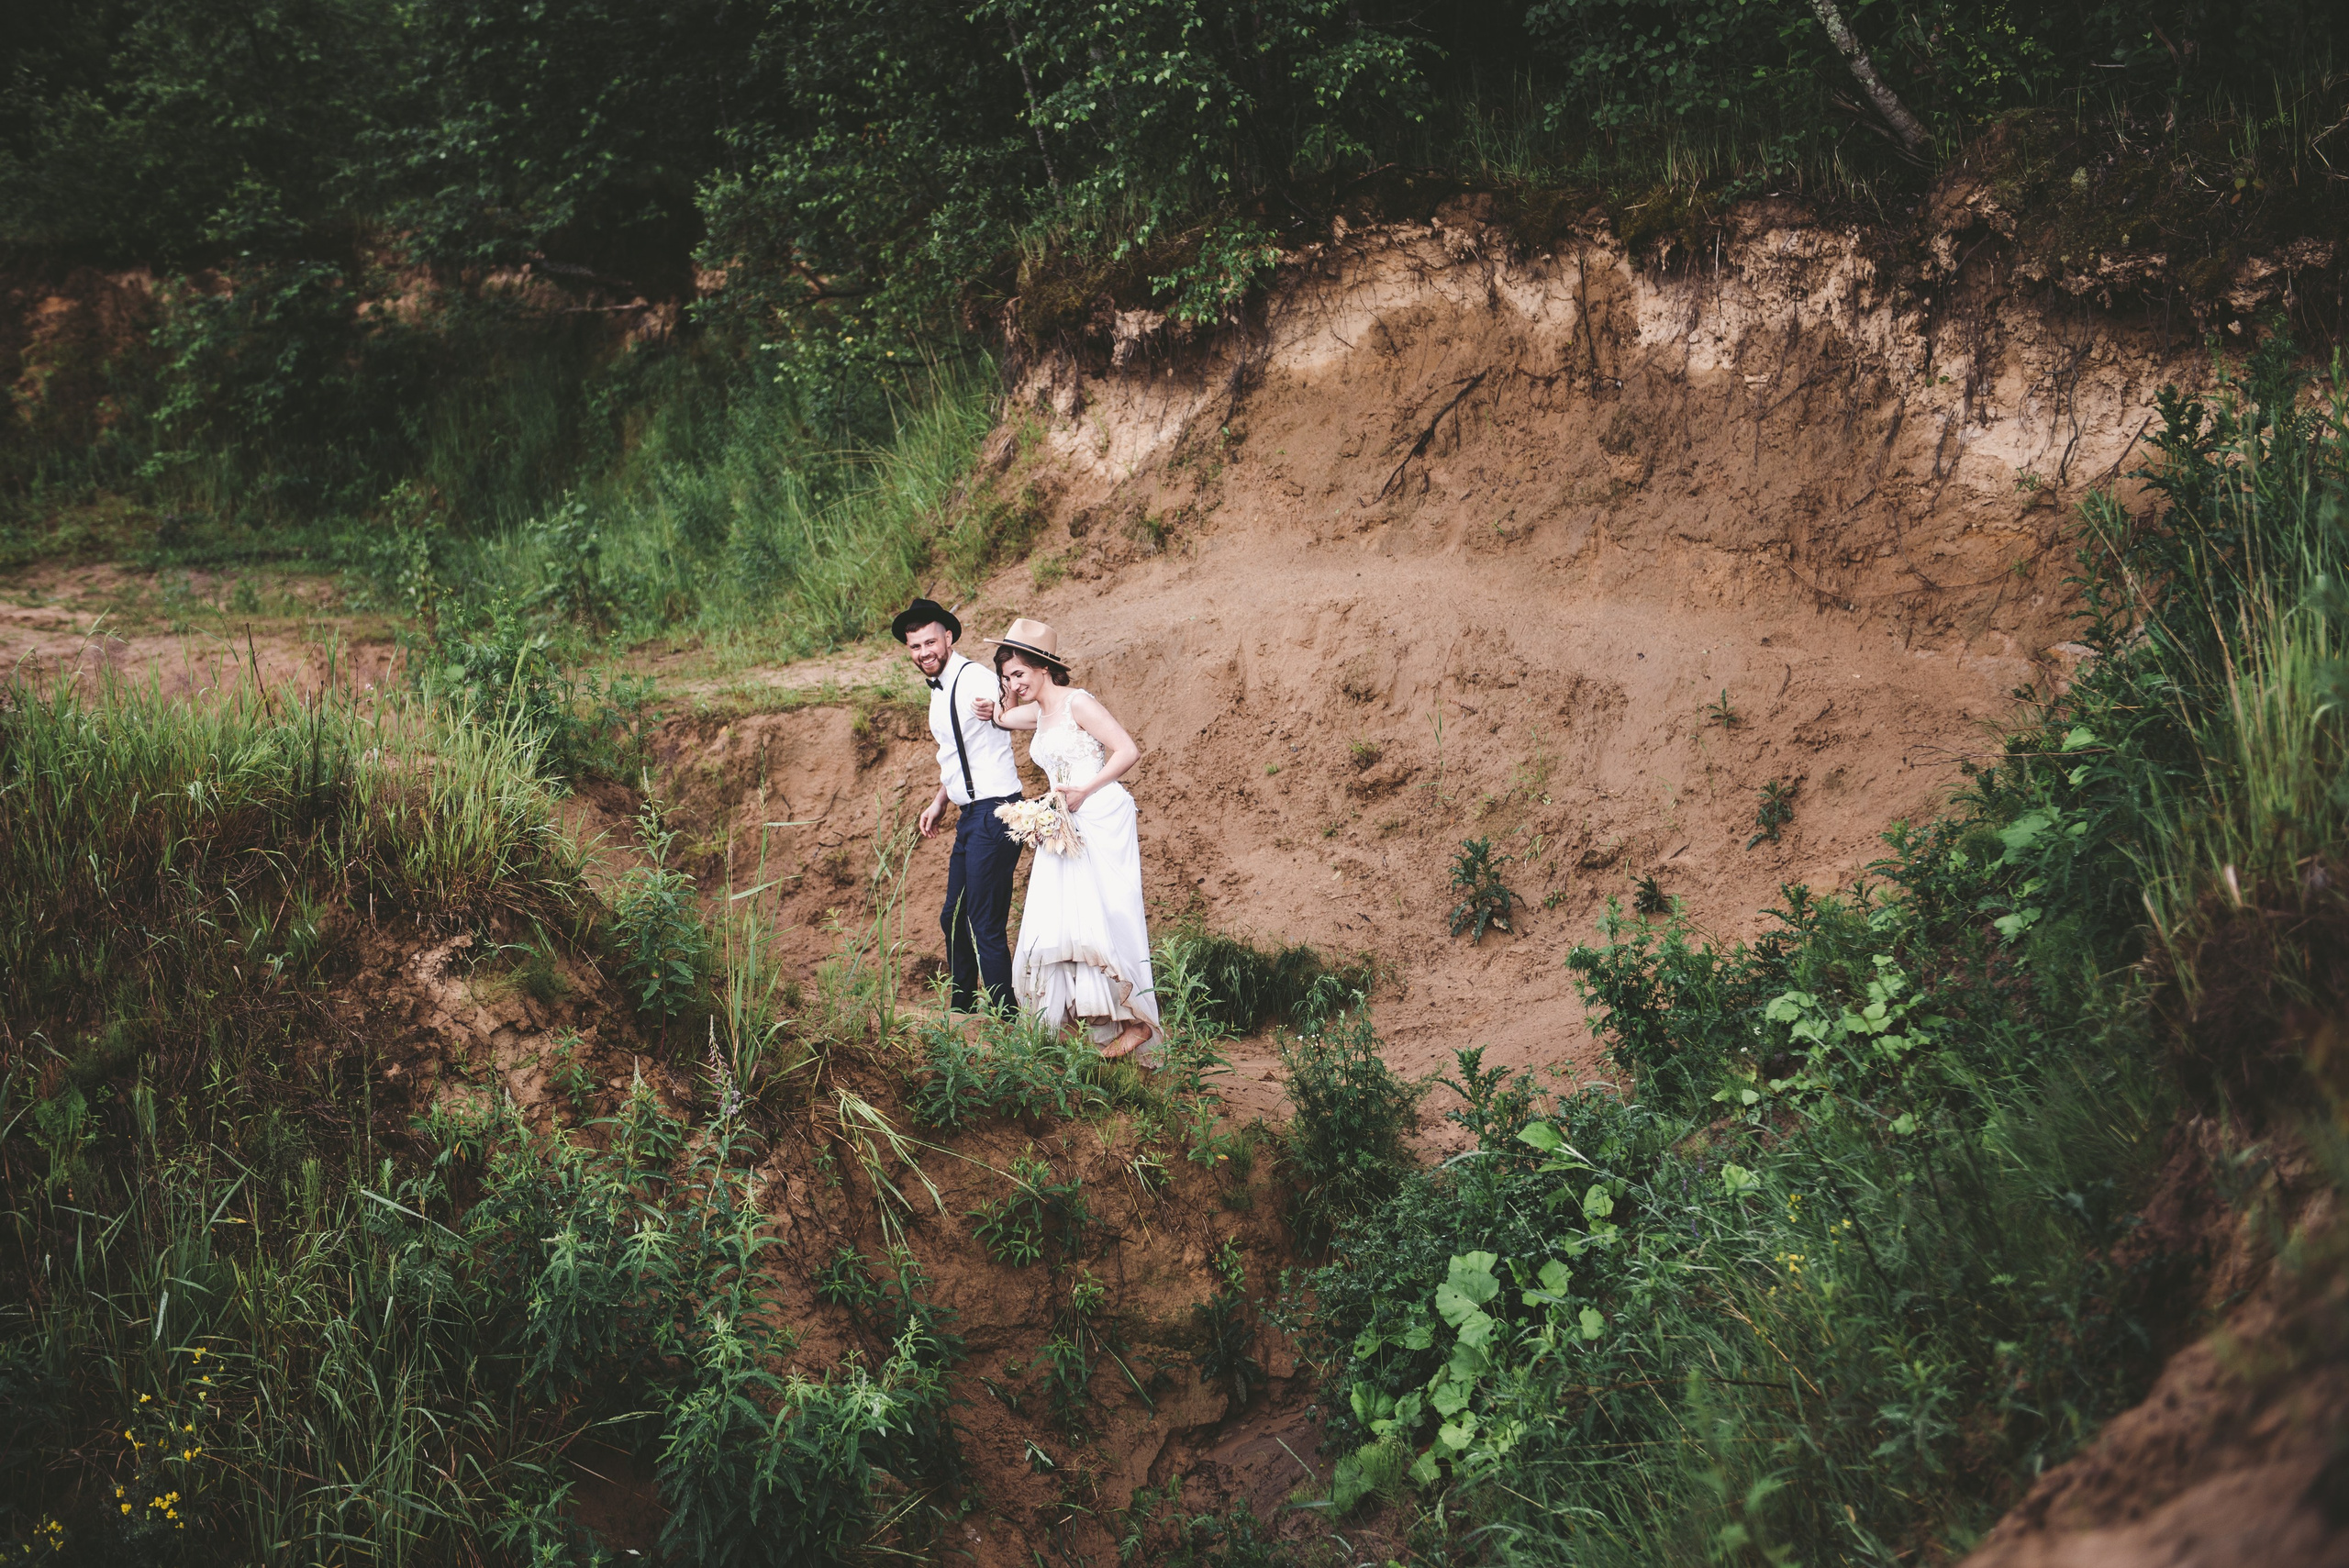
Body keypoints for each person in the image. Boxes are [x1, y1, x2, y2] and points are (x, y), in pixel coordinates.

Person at [973, 618, 1161, 1061]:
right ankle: (1085, 1021)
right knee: (1059, 916)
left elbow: (1128, 750)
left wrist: (1084, 790)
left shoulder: (1078, 703)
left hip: (1097, 810)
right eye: (1006, 676)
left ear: (1043, 668)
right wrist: (997, 702)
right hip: (1063, 821)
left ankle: (1136, 1021)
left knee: (1106, 912)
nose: (1013, 683)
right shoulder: (1038, 712)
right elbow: (1002, 717)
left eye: (1019, 673)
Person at [898, 598, 1024, 1016]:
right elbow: (956, 753)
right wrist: (939, 801)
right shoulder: (938, 691)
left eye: (930, 642)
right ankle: (963, 1009)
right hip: (971, 815)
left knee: (984, 922)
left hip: (997, 811)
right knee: (953, 915)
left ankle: (1007, 1018)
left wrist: (999, 710)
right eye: (915, 647)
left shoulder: (974, 679)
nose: (923, 652)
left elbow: (1006, 704)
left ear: (948, 638)